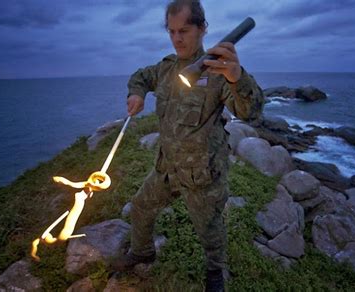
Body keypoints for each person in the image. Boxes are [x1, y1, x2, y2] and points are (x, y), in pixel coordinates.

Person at [112, 1, 264, 291]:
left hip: (201, 175)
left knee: (210, 230)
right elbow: (141, 77)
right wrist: (137, 94)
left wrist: (237, 77)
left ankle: (216, 274)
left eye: (184, 30)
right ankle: (142, 251)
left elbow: (251, 113)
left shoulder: (220, 74)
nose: (177, 38)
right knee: (141, 207)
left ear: (202, 28)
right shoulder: (167, 69)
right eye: (171, 31)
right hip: (166, 168)